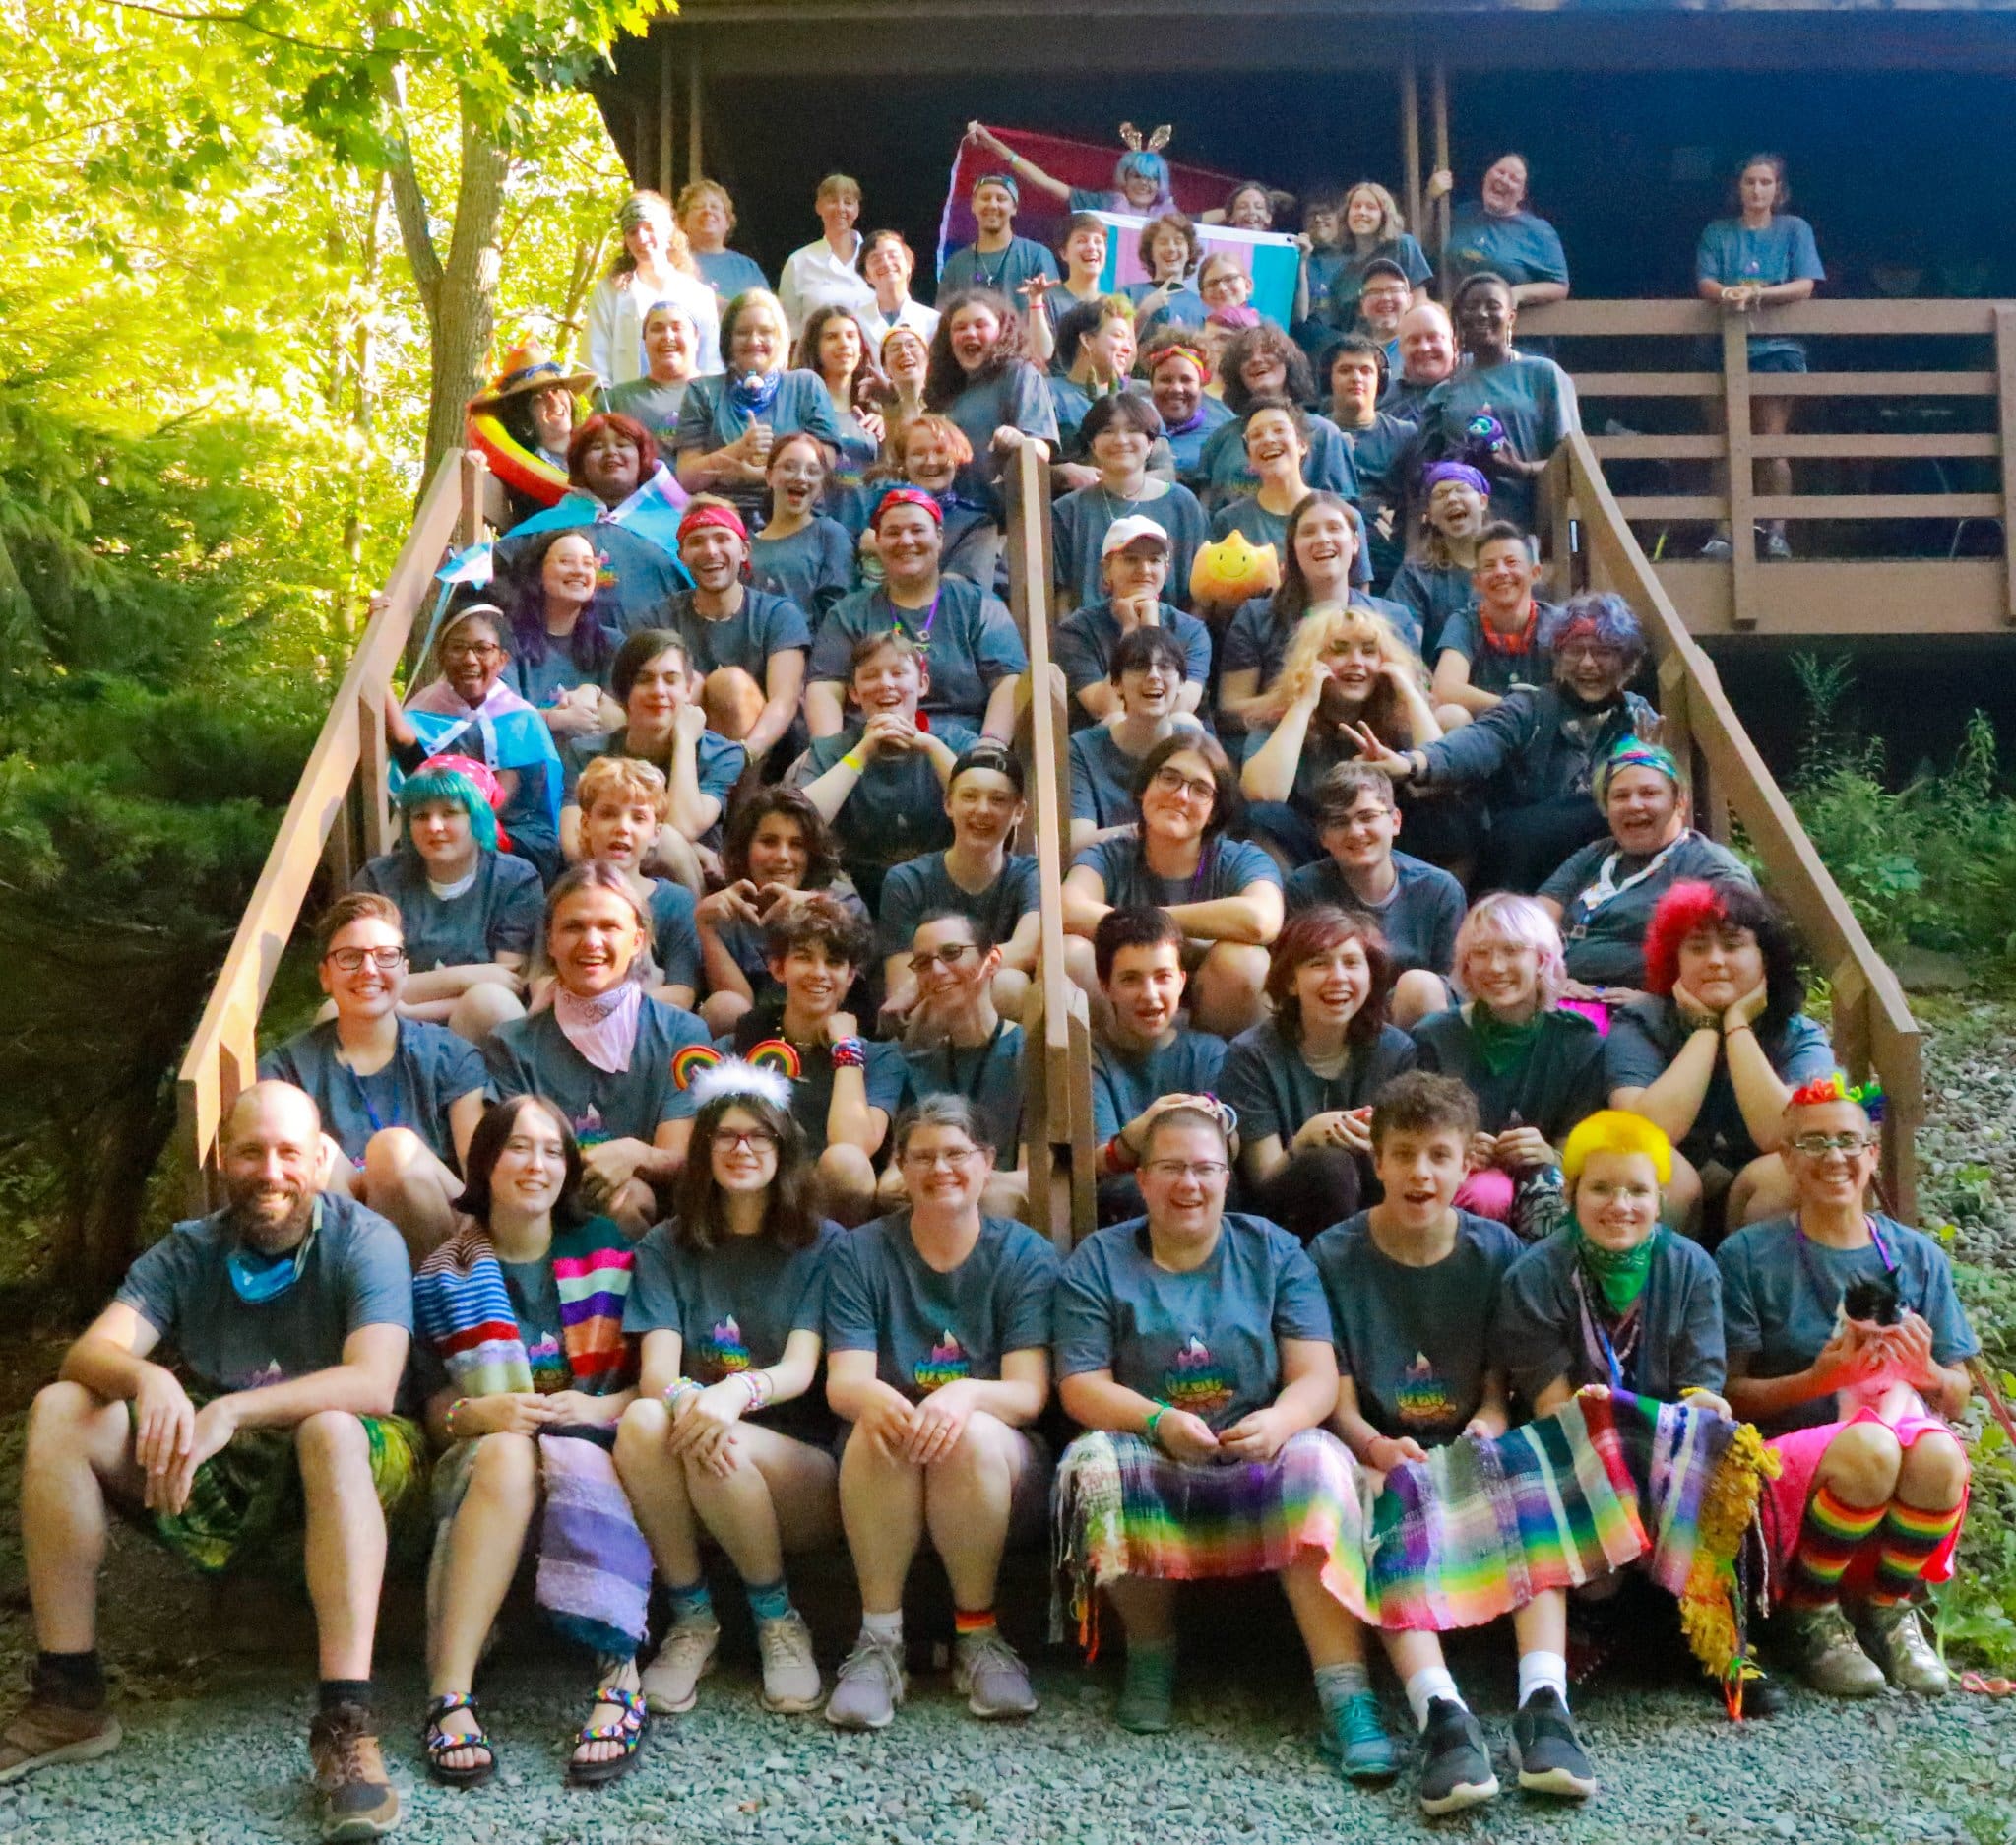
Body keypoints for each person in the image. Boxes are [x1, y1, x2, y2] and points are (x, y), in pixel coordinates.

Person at [3, 1082, 418, 1838]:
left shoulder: (366, 1239)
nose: (271, 1171)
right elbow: (89, 1352)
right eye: (252, 1151)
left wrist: (231, 1409)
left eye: (289, 1152)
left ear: (319, 1159)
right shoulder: (189, 1249)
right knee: (62, 1409)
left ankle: (346, 1723)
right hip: (227, 1467)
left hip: (357, 1459)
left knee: (329, 1430)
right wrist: (147, 1378)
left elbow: (374, 1383)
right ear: (223, 1158)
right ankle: (69, 1695)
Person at [1052, 1103, 1398, 1775]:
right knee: (1093, 1464)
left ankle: (1345, 1692)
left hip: (1258, 1442)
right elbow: (1081, 1384)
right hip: (1155, 1443)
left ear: (1227, 1177)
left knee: (1320, 1465)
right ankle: (1151, 1652)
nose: (1189, 1184)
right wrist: (1157, 1421)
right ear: (1142, 1180)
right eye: (1171, 1168)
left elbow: (1315, 1377)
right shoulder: (1099, 1259)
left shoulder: (1274, 1250)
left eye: (1205, 1169)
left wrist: (1282, 1422)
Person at [1309, 1071, 1593, 1814]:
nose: (1421, 1173)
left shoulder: (1497, 1251)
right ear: (1377, 1160)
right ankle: (1441, 1713)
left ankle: (1545, 1704)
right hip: (1377, 1447)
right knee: (1385, 1510)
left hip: (1466, 1438)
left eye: (1439, 1156)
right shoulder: (1332, 1256)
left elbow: (1500, 1388)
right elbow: (1336, 1397)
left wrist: (1487, 1424)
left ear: (1467, 1164)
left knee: (1527, 1477)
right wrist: (1377, 1447)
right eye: (1403, 1154)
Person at [410, 1096, 651, 1789]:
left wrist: (597, 1406)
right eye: (518, 1146)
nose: (536, 1164)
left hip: (600, 1447)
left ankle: (620, 1678)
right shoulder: (442, 1276)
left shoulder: (611, 1249)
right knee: (510, 1452)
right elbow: (434, 1414)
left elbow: (656, 1385)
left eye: (551, 1150)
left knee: (576, 1452)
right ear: (486, 1163)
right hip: (492, 1465)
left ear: (569, 1167)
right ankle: (449, 1696)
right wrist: (480, 1413)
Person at [1719, 1077, 1977, 1698]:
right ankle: (1809, 1613)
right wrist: (1820, 1380)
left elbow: (1958, 1391)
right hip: (1783, 1462)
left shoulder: (1916, 1255)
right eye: (1813, 1143)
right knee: (1870, 1446)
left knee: (1942, 1455)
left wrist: (1926, 1373)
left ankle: (1889, 1607)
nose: (1833, 1156)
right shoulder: (1747, 1255)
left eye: (1847, 1141)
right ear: (1787, 1159)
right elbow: (1729, 1394)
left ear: (1872, 1153)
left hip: (1886, 1448)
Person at [822, 1096, 1060, 1731]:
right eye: (922, 1156)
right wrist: (883, 1402)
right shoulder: (859, 1253)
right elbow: (846, 1383)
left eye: (957, 1154)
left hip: (997, 1459)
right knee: (878, 1424)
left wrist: (964, 1395)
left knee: (968, 1432)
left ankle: (978, 1635)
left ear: (987, 1162)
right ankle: (879, 1643)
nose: (941, 1169)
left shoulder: (1026, 1255)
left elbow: (1027, 1394)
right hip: (887, 1461)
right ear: (899, 1167)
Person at [615, 1063, 846, 1716]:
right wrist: (693, 1401)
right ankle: (693, 1619)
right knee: (643, 1420)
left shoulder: (823, 1245)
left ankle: (778, 1620)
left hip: (800, 1470)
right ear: (704, 1149)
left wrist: (731, 1396)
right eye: (726, 1136)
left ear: (783, 1148)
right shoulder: (665, 1246)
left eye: (758, 1136)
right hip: (697, 1451)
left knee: (720, 1438)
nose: (742, 1149)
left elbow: (800, 1368)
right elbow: (656, 1374)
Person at [1354, 593, 1659, 893]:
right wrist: (1411, 763)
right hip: (1521, 862)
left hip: (1602, 867)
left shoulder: (1638, 717)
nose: (1588, 664)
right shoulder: (1531, 707)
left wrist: (1649, 764)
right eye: (1575, 651)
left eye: (1603, 652)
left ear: (1627, 661)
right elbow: (1477, 742)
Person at [482, 863, 711, 1232]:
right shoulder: (510, 1044)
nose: (591, 941)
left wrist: (636, 1154)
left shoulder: (682, 1035)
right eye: (574, 927)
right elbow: (514, 1160)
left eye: (609, 927)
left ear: (637, 941)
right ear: (550, 942)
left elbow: (679, 1157)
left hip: (652, 1229)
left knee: (630, 1198)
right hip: (541, 1212)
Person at [261, 895, 486, 1261]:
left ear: (404, 971)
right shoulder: (287, 1070)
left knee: (393, 1151)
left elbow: (480, 1185)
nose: (368, 969)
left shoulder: (451, 1056)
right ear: (325, 976)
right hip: (347, 1251)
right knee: (316, 1152)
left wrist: (389, 1178)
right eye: (350, 957)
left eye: (385, 956)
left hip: (446, 1252)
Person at [1606, 878, 1835, 1232]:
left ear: (1765, 958)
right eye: (1697, 948)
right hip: (1672, 1198)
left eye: (1732, 945)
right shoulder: (1640, 1022)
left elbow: (1785, 1134)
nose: (1714, 961)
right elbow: (1646, 1130)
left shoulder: (1801, 1036)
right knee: (1650, 1163)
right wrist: (1705, 1028)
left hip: (1755, 1196)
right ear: (1675, 960)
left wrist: (1737, 1024)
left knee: (1799, 1168)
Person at [1495, 1109, 1729, 1412]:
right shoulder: (1532, 1277)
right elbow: (1552, 1408)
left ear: (1659, 1201)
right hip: (1567, 1433)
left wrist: (1701, 1408)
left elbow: (1700, 1391)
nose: (1620, 1206)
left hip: (1668, 1435)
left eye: (1638, 1191)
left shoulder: (1694, 1270)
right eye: (1600, 1188)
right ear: (1569, 1194)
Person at [1218, 907, 1418, 1241]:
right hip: (1282, 1219)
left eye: (1351, 963)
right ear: (1291, 982)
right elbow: (1263, 1178)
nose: (1338, 977)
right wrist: (1305, 1139)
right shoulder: (1251, 1054)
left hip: (1375, 1216)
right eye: (1319, 963)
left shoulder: (1396, 1051)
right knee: (1329, 1167)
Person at [1063, 733, 1284, 1037]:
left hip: (1212, 1015)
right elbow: (1068, 910)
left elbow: (1261, 920)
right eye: (1169, 778)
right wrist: (1169, 932)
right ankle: (1100, 1062)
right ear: (1144, 789)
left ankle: (1211, 1066)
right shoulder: (1110, 854)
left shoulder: (1240, 858)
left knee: (1247, 963)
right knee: (1071, 953)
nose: (1181, 796)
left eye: (1200, 789)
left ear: (1214, 812)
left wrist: (1151, 923)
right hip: (1121, 1012)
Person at [1412, 895, 1607, 1227]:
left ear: (1542, 960)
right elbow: (1415, 1141)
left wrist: (1550, 1155)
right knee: (1490, 1193)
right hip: (1460, 1189)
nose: (1496, 967)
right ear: (1466, 965)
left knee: (1550, 1183)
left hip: (1545, 1186)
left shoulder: (1579, 1041)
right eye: (1481, 953)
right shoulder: (1435, 1037)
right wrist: (1456, 1150)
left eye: (1512, 951)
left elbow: (1580, 1153)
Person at [717, 894, 905, 1225]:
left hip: (831, 1205)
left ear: (850, 975)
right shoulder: (742, 1042)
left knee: (847, 1163)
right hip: (756, 1189)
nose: (819, 973)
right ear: (778, 968)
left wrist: (846, 1048)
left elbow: (852, 1146)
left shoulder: (880, 1057)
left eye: (834, 962)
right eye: (804, 957)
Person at [1239, 602, 1449, 868]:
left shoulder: (1398, 715)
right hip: (1312, 849)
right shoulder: (1281, 717)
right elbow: (1262, 792)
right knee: (1263, 816)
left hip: (1386, 847)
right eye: (1339, 649)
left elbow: (1442, 771)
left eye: (1369, 651)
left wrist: (1408, 690)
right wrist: (1304, 704)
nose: (1356, 662)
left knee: (1448, 809)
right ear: (1312, 661)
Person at [806, 488, 1025, 743]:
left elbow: (1008, 681)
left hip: (961, 749)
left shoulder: (980, 605)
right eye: (893, 532)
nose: (906, 540)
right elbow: (825, 687)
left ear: (939, 537)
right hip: (869, 746)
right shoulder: (848, 613)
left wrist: (990, 746)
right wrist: (830, 751)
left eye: (917, 530)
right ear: (878, 541)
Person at [1538, 739, 1753, 998]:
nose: (1634, 805)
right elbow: (1529, 927)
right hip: (1567, 998)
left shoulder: (1712, 869)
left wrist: (1659, 1004)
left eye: (1649, 793)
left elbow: (1738, 962)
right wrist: (1550, 980)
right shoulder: (1595, 855)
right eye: (1621, 796)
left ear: (1680, 802)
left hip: (1651, 1009)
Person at [353, 758, 537, 1043]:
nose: (434, 826)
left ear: (477, 818)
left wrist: (410, 1009)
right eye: (421, 816)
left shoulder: (515, 880)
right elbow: (362, 977)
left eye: (449, 813)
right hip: (389, 1023)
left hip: (474, 1024)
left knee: (491, 999)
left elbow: (509, 982)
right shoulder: (378, 879)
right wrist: (466, 976)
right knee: (334, 1012)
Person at [1696, 154, 1824, 562]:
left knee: (1771, 441)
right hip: (1724, 347)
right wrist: (1727, 294)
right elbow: (1706, 282)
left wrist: (1757, 295)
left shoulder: (1794, 229)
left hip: (1777, 349)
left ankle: (1776, 531)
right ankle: (1724, 532)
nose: (1757, 190)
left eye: (1765, 183)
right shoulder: (1718, 232)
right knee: (1725, 442)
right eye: (1750, 182)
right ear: (1738, 187)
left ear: (1778, 190)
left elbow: (1805, 285)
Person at [790, 630, 975, 908]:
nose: (885, 684)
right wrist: (862, 752)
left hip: (943, 890)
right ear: (854, 692)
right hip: (854, 895)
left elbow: (981, 804)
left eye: (898, 673)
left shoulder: (956, 742)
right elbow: (800, 823)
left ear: (923, 684)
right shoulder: (830, 750)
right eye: (871, 676)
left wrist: (929, 745)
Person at [1218, 492, 1421, 737]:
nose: (1323, 538)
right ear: (1293, 547)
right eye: (1308, 532)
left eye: (1334, 528)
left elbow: (1417, 702)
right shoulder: (1256, 616)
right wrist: (1298, 699)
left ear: (1355, 543)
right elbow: (1229, 711)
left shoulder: (1393, 617)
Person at [388, 603, 564, 882]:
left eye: (483, 649)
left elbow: (500, 799)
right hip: (443, 824)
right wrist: (378, 631)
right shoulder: (425, 711)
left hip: (513, 831)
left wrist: (458, 827)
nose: (470, 659)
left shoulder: (520, 720)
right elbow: (403, 741)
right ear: (441, 656)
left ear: (502, 660)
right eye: (458, 648)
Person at [1283, 764, 1463, 1031]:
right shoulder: (1304, 889)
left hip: (1410, 1023)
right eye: (1339, 822)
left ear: (1395, 822)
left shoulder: (1440, 890)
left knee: (1422, 985)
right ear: (1323, 837)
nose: (1356, 831)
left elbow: (1453, 987)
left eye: (1367, 817)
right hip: (1333, 1016)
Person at [877, 742, 1040, 1024]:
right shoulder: (906, 880)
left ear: (1019, 811)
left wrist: (928, 979)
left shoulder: (1030, 874)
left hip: (992, 1016)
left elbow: (1027, 948)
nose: (982, 810)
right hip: (928, 1021)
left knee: (1011, 986)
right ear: (949, 804)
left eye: (998, 800)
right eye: (969, 797)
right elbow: (901, 996)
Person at [561, 629, 747, 874]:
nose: (658, 691)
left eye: (671, 680)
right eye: (644, 679)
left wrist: (684, 740)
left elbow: (680, 829)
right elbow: (574, 845)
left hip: (685, 886)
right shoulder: (586, 752)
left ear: (688, 689)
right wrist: (692, 848)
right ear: (624, 691)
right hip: (605, 880)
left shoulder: (723, 755)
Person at [1087, 908, 1229, 1223]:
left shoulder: (1209, 1052)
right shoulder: (1091, 1055)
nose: (1150, 996)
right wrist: (1139, 1134)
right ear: (1106, 986)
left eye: (1163, 977)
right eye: (1130, 980)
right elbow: (1094, 1162)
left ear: (1181, 981)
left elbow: (1229, 1148)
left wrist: (1218, 1119)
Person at [494, 414, 692, 638]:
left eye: (623, 445)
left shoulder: (678, 529)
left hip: (653, 655)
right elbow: (485, 572)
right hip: (562, 654)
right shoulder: (547, 527)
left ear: (641, 457)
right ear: (580, 463)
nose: (611, 452)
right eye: (597, 447)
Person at [889, 911, 1029, 1221]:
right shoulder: (918, 1062)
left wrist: (959, 1178)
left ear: (992, 961)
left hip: (1002, 1219)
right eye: (923, 962)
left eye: (952, 953)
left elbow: (1035, 1176)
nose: (937, 970)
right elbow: (893, 1176)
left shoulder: (1030, 1053)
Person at [696, 786, 867, 1036]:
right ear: (745, 848)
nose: (783, 856)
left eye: (797, 844)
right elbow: (736, 1014)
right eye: (769, 842)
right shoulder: (724, 910)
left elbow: (851, 991)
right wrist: (705, 928)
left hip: (830, 1030)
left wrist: (812, 906)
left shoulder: (842, 901)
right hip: (756, 1039)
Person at [1415, 274, 1579, 535]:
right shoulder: (1445, 391)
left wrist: (1522, 469)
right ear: (1459, 318)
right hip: (1462, 531)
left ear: (1511, 316)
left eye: (1493, 306)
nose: (1481, 314)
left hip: (1530, 529)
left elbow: (1571, 460)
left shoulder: (1543, 375)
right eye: (1471, 307)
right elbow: (1425, 472)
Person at [660, 500, 810, 771]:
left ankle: (737, 798)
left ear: (744, 551)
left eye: (722, 539)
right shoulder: (660, 616)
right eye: (696, 542)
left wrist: (742, 755)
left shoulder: (779, 614)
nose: (710, 551)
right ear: (681, 556)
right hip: (680, 756)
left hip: (763, 758)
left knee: (728, 684)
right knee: (687, 685)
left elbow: (784, 700)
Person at [675, 289, 844, 519]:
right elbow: (687, 478)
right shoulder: (702, 391)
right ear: (728, 339)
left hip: (794, 514)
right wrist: (739, 448)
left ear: (780, 338)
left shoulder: (805, 385)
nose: (754, 341)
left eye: (765, 332)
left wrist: (757, 474)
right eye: (743, 332)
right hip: (721, 518)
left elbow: (826, 464)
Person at [570, 756, 704, 1012]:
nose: (623, 827)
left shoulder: (675, 902)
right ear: (586, 824)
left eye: (638, 818)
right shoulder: (565, 898)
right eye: (608, 814)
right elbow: (543, 982)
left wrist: (609, 1006)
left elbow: (682, 992)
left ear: (655, 833)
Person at [1056, 523, 1212, 738]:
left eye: (1154, 560)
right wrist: (1130, 632)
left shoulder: (1191, 630)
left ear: (1165, 571)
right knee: (1115, 720)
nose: (1144, 570)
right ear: (1107, 570)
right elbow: (1106, 709)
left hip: (1171, 743)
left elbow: (1179, 707)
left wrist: (1150, 629)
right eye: (1131, 559)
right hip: (1110, 743)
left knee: (1184, 722)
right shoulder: (1077, 630)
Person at [1051, 397, 1209, 609]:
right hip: (1090, 629)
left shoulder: (1183, 504)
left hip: (1169, 628)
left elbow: (1200, 593)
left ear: (1151, 443)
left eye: (1133, 430)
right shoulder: (1068, 511)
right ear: (1093, 444)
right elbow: (1062, 598)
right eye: (1108, 431)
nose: (1121, 440)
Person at [1194, 326, 1355, 509]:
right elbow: (1206, 510)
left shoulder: (1325, 434)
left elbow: (1343, 511)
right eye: (1246, 357)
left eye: (1267, 351)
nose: (1256, 360)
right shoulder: (1220, 439)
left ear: (1288, 363)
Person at [923, 287, 1062, 499]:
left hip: (1004, 514)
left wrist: (1020, 443)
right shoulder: (943, 387)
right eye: (960, 327)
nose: (970, 333)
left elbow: (1042, 450)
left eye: (981, 325)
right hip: (952, 511)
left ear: (1002, 330)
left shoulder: (1019, 374)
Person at [1068, 633, 1199, 851]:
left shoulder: (1197, 745)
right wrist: (1153, 831)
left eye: (1165, 666)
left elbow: (1209, 835)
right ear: (1117, 685)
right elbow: (1077, 844)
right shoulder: (1082, 749)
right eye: (1139, 667)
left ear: (1181, 684)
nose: (1154, 676)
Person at [588, 189, 723, 384]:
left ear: (667, 232)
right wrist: (607, 400)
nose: (641, 238)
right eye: (632, 232)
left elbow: (711, 365)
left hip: (687, 400)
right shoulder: (609, 292)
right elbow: (594, 361)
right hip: (626, 400)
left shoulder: (698, 295)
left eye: (649, 228)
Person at [499, 528, 620, 736]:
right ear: (538, 573)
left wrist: (594, 693)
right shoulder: (507, 640)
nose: (579, 571)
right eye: (566, 562)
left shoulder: (613, 643)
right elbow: (499, 716)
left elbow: (627, 716)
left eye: (587, 564)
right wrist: (554, 719)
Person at [1430, 520, 1556, 715]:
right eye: (1489, 566)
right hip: (1484, 729)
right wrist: (1518, 710)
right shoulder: (1465, 623)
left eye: (1511, 562)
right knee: (1450, 715)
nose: (1501, 572)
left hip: (1547, 728)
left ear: (1535, 573)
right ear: (1477, 582)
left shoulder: (1558, 623)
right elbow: (1444, 691)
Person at [468, 342, 597, 533]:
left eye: (556, 390)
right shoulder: (517, 467)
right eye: (538, 398)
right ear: (523, 416)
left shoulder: (599, 446)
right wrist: (475, 464)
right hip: (552, 544)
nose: (553, 400)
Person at [867, 413, 1001, 587]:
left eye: (940, 452)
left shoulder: (977, 524)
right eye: (918, 453)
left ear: (957, 459)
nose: (931, 462)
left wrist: (882, 549)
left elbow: (961, 592)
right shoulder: (876, 515)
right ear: (904, 463)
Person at [1324, 333, 1415, 590]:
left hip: (1387, 566)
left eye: (1366, 370)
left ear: (1380, 380)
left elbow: (1415, 504)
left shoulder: (1405, 435)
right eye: (1345, 370)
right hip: (1326, 560)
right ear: (1329, 379)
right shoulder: (1313, 434)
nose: (1356, 378)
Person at [1429, 155, 1570, 310]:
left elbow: (1560, 286)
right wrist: (1430, 197)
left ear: (1522, 194)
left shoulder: (1538, 231)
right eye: (1500, 172)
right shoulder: (1463, 213)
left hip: (1508, 321)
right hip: (1454, 316)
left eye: (1514, 179)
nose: (1504, 180)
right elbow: (1423, 242)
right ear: (1486, 175)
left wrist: (1517, 293)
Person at [967, 119, 1172, 220]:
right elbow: (1046, 183)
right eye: (1137, 176)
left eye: (1152, 178)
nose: (1144, 183)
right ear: (1124, 180)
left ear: (1160, 184)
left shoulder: (1171, 219)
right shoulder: (1102, 204)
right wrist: (996, 147)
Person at [1387, 462, 1493, 657]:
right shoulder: (1415, 575)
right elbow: (1404, 649)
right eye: (1440, 495)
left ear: (1483, 502)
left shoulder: (1508, 566)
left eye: (1461, 490)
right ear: (1431, 516)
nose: (1451, 499)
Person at [748, 433, 856, 623]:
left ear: (821, 485)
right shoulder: (746, 543)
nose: (801, 477)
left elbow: (837, 614)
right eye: (789, 467)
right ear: (769, 476)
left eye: (813, 471)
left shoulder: (829, 534)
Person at [1206, 399, 1323, 566]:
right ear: (1249, 458)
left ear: (1302, 445)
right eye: (1256, 435)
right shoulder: (1229, 521)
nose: (1268, 439)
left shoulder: (1336, 513)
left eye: (1279, 430)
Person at [777, 173, 877, 341]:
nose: (840, 208)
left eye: (848, 202)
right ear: (818, 207)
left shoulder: (876, 258)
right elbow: (788, 329)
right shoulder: (798, 262)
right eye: (832, 201)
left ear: (857, 210)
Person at [1045, 295, 1140, 472]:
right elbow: (1028, 462)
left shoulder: (1136, 401)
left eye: (1129, 340)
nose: (1128, 348)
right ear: (1087, 340)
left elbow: (1164, 468)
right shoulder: (1046, 393)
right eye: (1118, 336)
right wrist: (1063, 473)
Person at [797, 303, 886, 492]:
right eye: (831, 337)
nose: (844, 343)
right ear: (815, 348)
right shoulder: (799, 410)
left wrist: (889, 427)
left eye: (851, 336)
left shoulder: (875, 415)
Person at [938, 170, 1061, 302]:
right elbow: (943, 313)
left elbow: (1054, 310)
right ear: (973, 206)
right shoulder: (955, 265)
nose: (993, 205)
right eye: (985, 198)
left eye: (1001, 199)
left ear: (1014, 208)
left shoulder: (1037, 256)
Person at [598, 299, 702, 454]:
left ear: (696, 338)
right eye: (657, 329)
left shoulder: (719, 393)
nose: (668, 336)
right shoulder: (615, 401)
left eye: (677, 328)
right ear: (644, 341)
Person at [1325, 181, 1432, 328]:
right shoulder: (1341, 277)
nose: (1362, 212)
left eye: (1371, 207)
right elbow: (1338, 327)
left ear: (1384, 215)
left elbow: (1420, 304)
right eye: (1356, 206)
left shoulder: (1403, 246)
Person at [1141, 330, 1232, 484]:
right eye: (1165, 380)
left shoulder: (1220, 436)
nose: (1176, 388)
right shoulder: (1132, 427)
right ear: (1151, 384)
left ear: (1202, 385)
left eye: (1186, 380)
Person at [676, 180, 769, 301]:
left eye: (715, 206)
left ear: (728, 223)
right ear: (683, 222)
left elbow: (764, 308)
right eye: (699, 206)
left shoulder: (747, 268)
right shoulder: (672, 263)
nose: (707, 211)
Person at [1127, 212, 1209, 338]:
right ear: (1150, 252)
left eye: (1178, 241)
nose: (1171, 248)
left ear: (1190, 251)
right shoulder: (1128, 294)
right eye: (1163, 242)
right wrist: (1144, 311)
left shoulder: (1201, 308)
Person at [858, 228, 941, 351]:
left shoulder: (934, 321)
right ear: (867, 275)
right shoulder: (856, 322)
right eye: (876, 259)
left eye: (893, 256)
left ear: (909, 265)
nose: (886, 263)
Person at [1382, 300, 1457, 424]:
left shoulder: (1472, 391)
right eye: (1414, 340)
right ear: (1401, 348)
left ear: (1454, 343)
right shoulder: (1383, 403)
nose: (1424, 347)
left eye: (1433, 338)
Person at [1352, 258, 1414, 359]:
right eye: (1374, 292)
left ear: (1409, 301)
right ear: (1362, 305)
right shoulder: (1350, 354)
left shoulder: (1419, 349)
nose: (1385, 298)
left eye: (1394, 290)